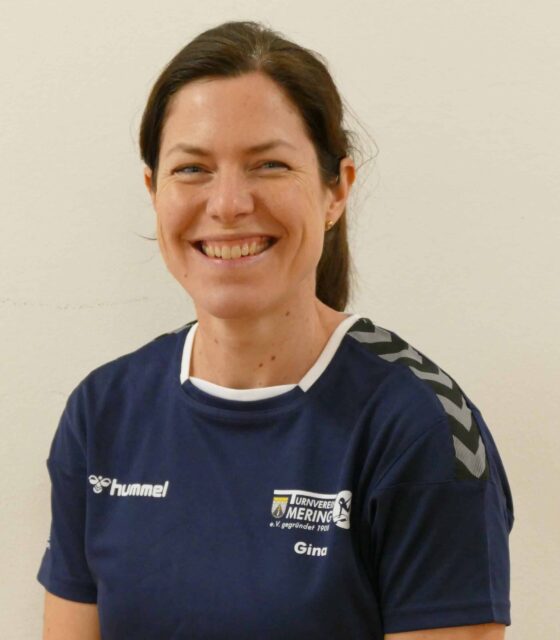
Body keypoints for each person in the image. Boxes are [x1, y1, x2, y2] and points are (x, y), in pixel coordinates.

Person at [37, 20, 514, 639]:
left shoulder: (420, 429)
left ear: (336, 191)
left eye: (268, 164)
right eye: (192, 169)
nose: (228, 204)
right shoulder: (102, 412)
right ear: (153, 190)